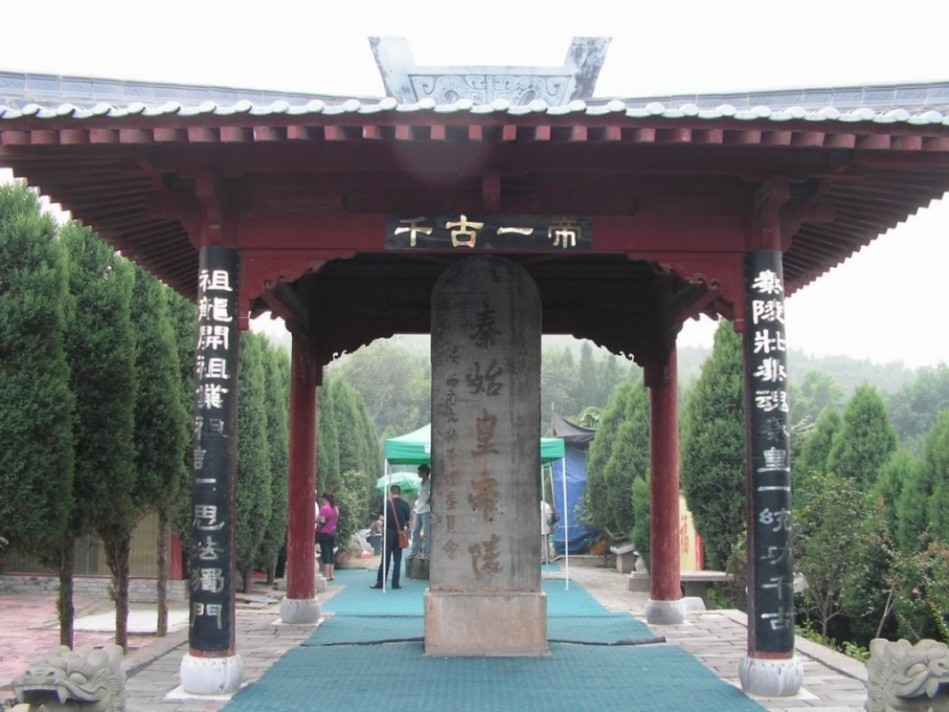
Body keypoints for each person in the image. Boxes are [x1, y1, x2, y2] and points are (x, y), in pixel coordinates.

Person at [372, 484, 410, 589]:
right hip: (399, 533)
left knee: (385, 558)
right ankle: (395, 583)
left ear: (391, 492)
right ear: (399, 492)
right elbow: (407, 520)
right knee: (397, 559)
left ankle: (381, 582)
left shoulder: (386, 504)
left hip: (388, 533)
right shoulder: (405, 504)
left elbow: (381, 518)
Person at [407, 464, 431, 558]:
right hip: (419, 510)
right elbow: (419, 497)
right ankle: (414, 552)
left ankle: (425, 553)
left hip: (426, 510)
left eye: (419, 471)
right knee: (415, 531)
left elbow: (431, 496)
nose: (418, 473)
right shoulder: (421, 484)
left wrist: (427, 502)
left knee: (426, 533)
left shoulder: (430, 484)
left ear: (424, 472)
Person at [316, 493, 340, 582]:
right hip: (333, 532)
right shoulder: (335, 508)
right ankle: (331, 574)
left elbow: (318, 520)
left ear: (325, 499)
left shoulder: (324, 508)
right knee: (331, 552)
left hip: (324, 533)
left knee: (325, 553)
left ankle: (327, 575)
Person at [541, 499, 554, 564]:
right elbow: (550, 517)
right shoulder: (547, 505)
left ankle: (543, 558)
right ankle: (547, 558)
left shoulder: (539, 505)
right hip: (546, 527)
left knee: (543, 543)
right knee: (546, 543)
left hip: (541, 527)